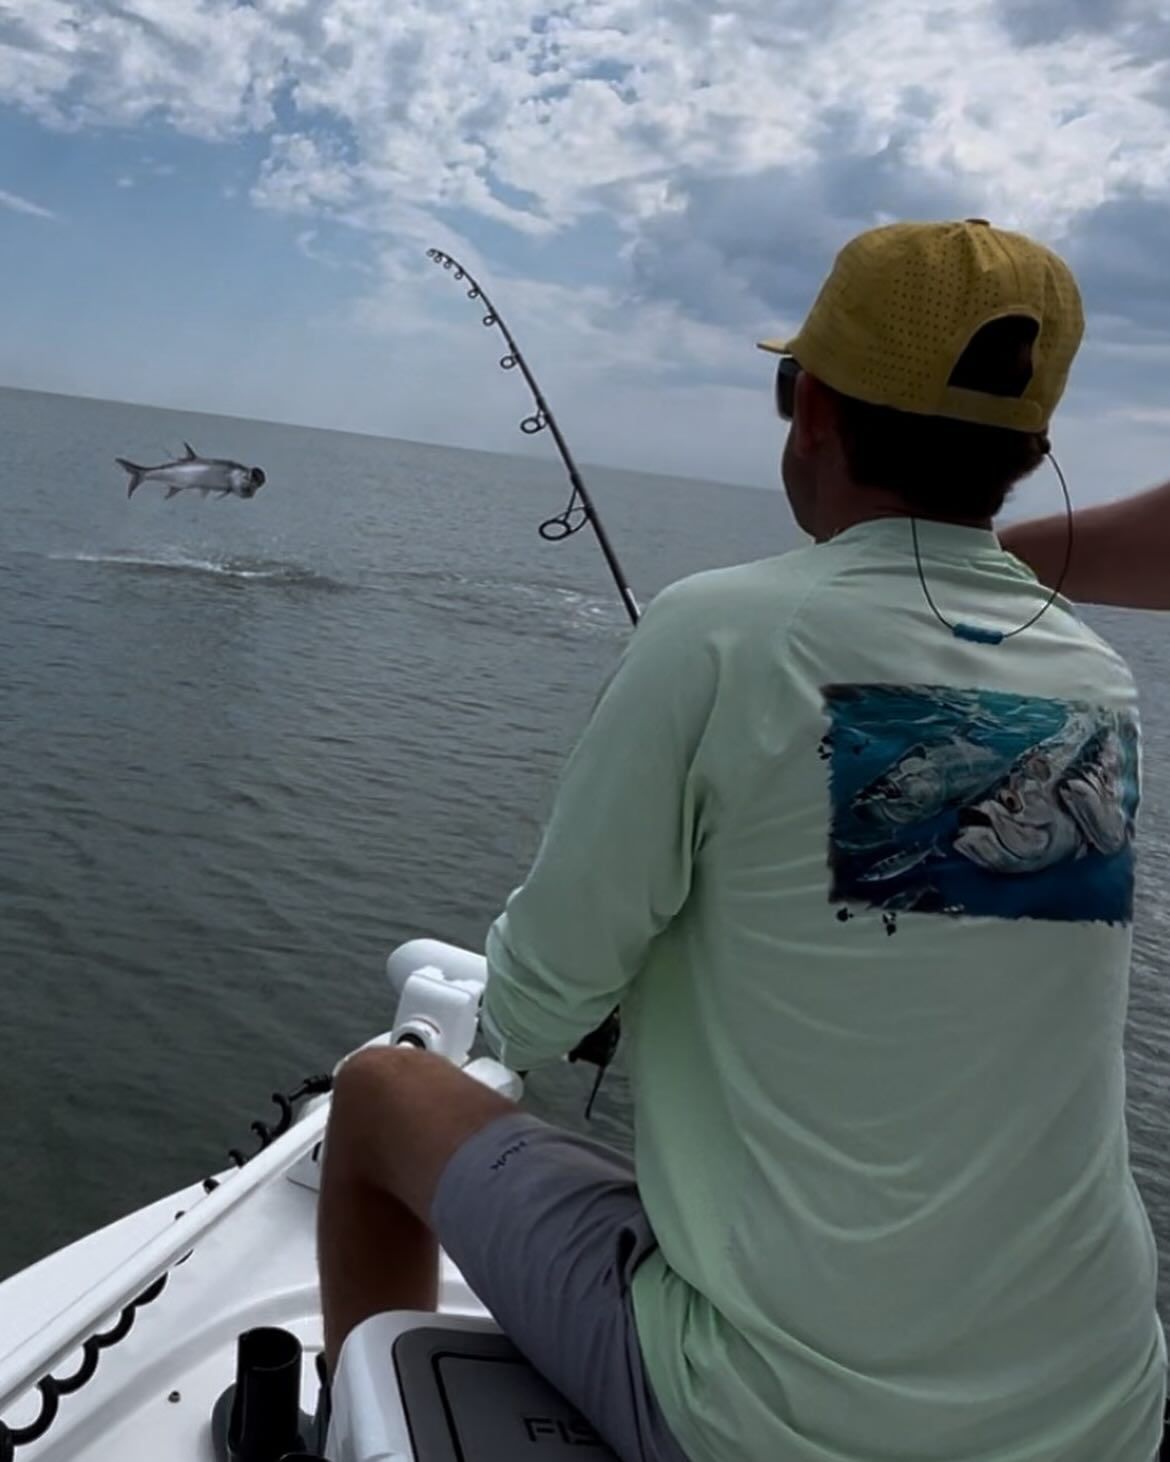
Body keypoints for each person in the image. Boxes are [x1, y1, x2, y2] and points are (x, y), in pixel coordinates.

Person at [317, 219, 1167, 1462]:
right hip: (1096, 1407)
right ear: (1034, 450)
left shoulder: (713, 631)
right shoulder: (1096, 682)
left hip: (776, 1420)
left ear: (809, 406)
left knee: (381, 1094)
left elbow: (541, 1003)